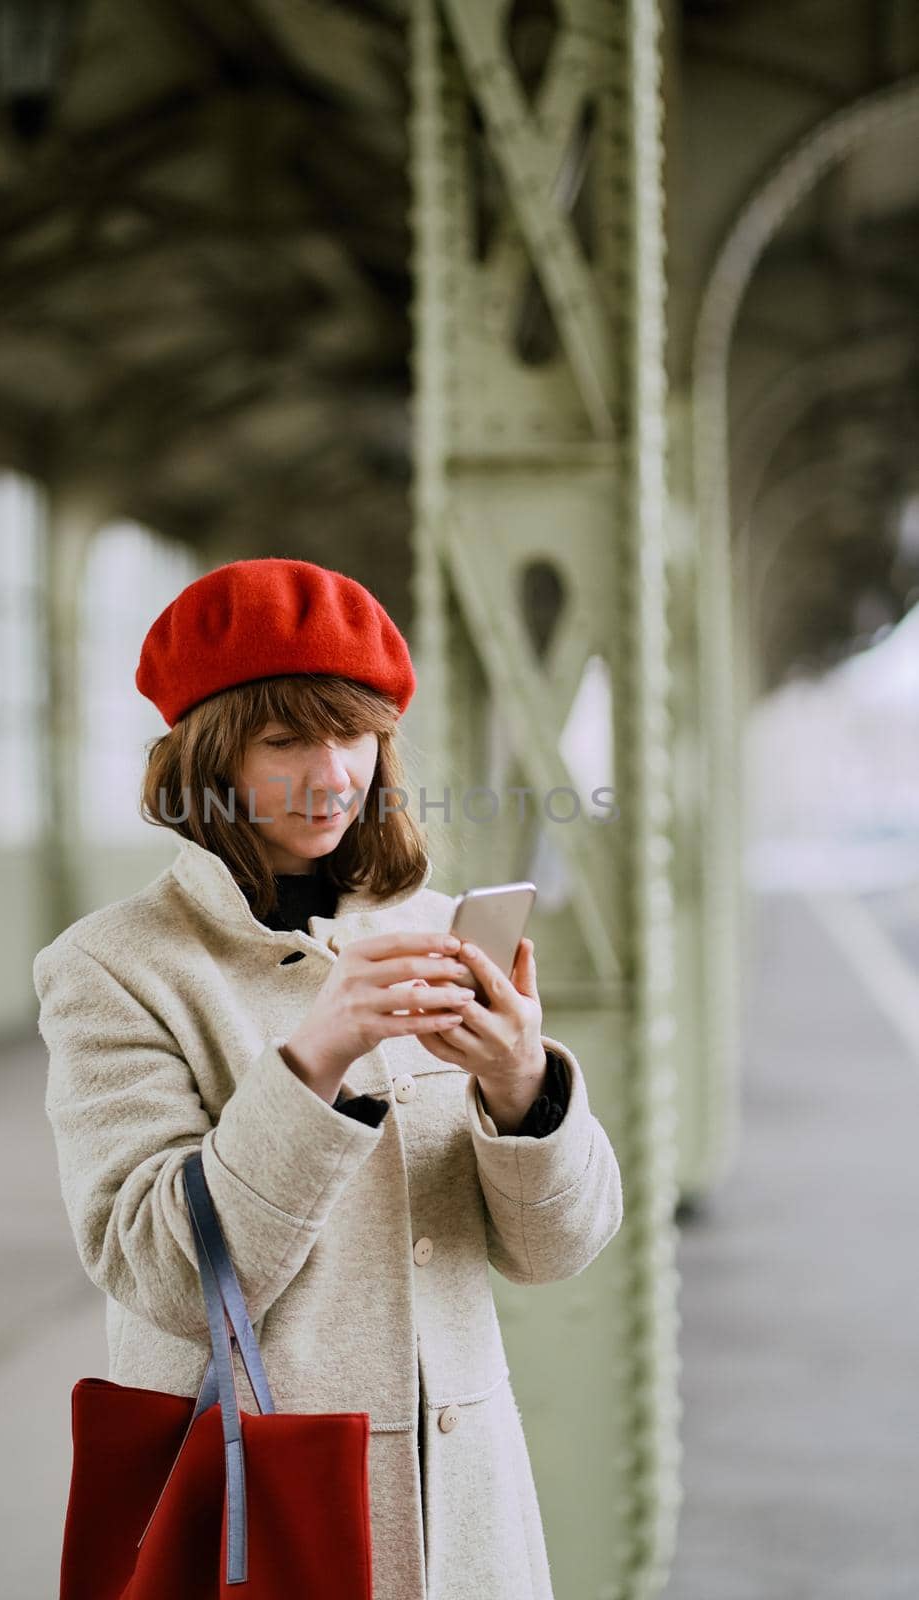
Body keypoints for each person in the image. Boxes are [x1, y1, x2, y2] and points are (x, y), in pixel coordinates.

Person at [33, 555, 624, 1600]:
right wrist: (315, 1059)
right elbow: (156, 1269)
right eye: (284, 739)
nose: (330, 772)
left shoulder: (435, 929)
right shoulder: (112, 967)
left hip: (464, 1518)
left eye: (352, 734)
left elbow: (555, 1249)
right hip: (255, 1512)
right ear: (207, 758)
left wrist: (519, 1084)